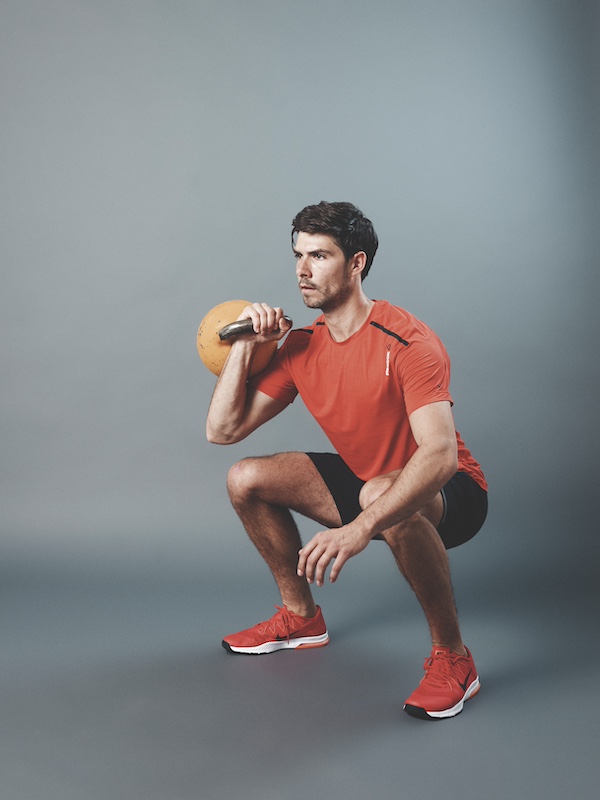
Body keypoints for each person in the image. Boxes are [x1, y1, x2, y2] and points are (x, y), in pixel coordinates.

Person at [206, 201, 488, 720]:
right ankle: (301, 619)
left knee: (379, 495)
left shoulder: (406, 339)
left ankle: (455, 659)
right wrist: (246, 344)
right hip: (366, 483)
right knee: (245, 478)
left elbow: (442, 455)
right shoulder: (300, 346)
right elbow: (222, 430)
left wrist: (360, 529)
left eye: (319, 256)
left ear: (356, 263)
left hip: (451, 494)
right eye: (298, 255)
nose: (302, 270)